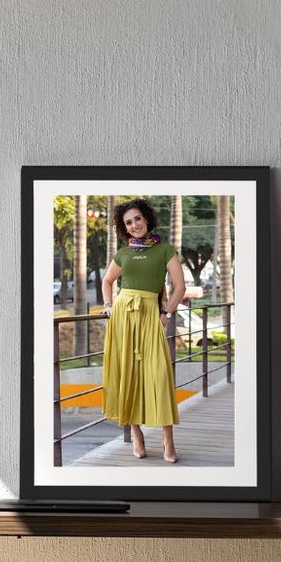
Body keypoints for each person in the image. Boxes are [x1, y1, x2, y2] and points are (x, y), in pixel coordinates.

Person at [98, 198, 186, 462]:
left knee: (158, 374)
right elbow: (107, 280)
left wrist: (166, 312)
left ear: (146, 218)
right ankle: (136, 433)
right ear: (124, 228)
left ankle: (167, 439)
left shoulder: (165, 250)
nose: (134, 225)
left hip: (151, 315)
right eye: (128, 222)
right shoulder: (123, 253)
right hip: (123, 316)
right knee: (128, 374)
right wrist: (109, 305)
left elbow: (179, 287)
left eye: (137, 218)